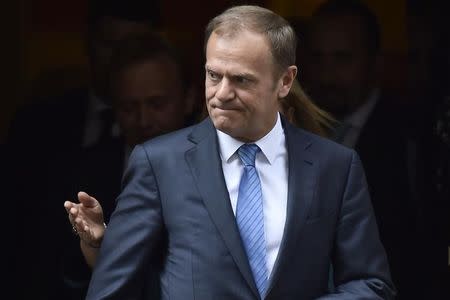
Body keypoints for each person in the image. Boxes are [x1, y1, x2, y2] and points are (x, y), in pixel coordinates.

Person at [76, 5, 394, 299]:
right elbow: (112, 289)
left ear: (285, 81)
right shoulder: (160, 162)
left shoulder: (335, 166)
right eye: (214, 75)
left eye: (241, 80)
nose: (222, 94)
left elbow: (370, 283)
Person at [55, 33, 197, 299]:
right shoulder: (84, 173)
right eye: (129, 107)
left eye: (157, 104)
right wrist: (96, 247)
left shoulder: (220, 164)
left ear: (189, 98)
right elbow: (64, 275)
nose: (143, 120)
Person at [302, 1, 421, 298]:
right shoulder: (288, 128)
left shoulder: (411, 138)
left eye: (343, 59)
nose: (327, 75)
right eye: (317, 58)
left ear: (375, 63)